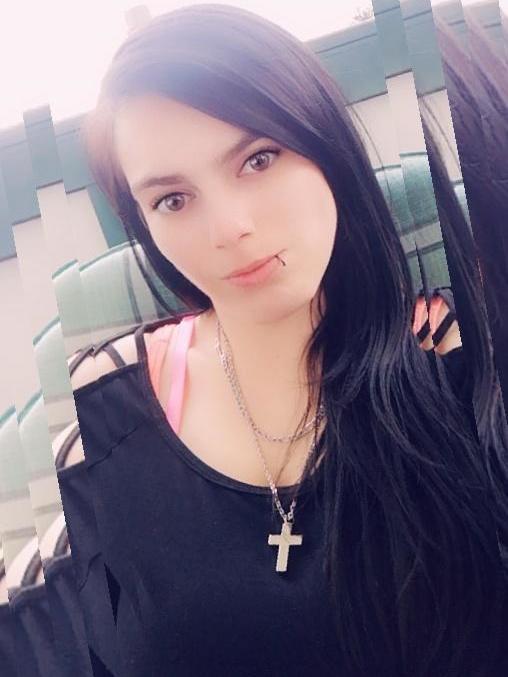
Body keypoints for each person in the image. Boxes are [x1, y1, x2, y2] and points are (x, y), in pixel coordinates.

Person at [53, 4, 507, 676]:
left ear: (324, 143)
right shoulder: (97, 415)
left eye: (258, 158)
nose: (229, 227)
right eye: (173, 200)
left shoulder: (454, 351)